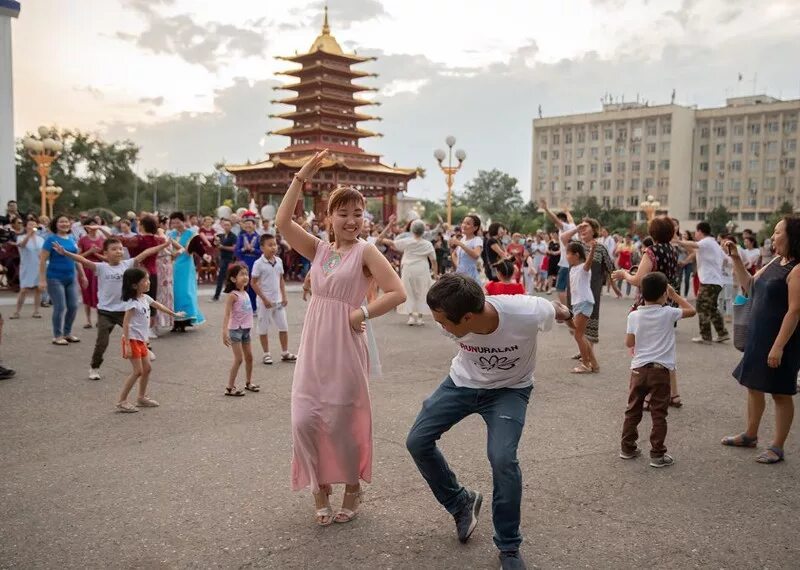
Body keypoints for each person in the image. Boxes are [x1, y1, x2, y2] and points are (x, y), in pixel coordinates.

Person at [406, 273, 572, 570]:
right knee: (417, 441)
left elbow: (555, 308)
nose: (440, 326)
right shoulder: (453, 320)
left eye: (443, 321)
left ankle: (509, 547)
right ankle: (460, 502)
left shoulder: (524, 311)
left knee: (503, 459)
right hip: (461, 384)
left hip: (510, 390)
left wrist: (567, 313)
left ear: (468, 317)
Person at [276, 150, 406, 526]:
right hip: (314, 346)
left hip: (346, 347)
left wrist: (361, 312)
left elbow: (397, 292)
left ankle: (351, 487)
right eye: (343, 213)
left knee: (343, 421)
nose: (352, 220)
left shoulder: (366, 251)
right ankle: (319, 489)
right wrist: (301, 176)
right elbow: (283, 222)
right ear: (329, 217)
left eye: (357, 213)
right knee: (304, 419)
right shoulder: (319, 249)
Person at [720, 217, 800, 464]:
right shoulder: (776, 261)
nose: (773, 237)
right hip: (759, 336)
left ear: (792, 237)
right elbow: (748, 286)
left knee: (780, 392)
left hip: (781, 340)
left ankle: (777, 446)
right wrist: (735, 258)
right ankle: (750, 434)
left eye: (777, 232)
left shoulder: (797, 269)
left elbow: (795, 311)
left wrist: (778, 346)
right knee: (753, 385)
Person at [52, 236, 169, 380]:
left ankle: (146, 349)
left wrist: (164, 245)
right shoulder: (101, 267)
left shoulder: (127, 264)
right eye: (114, 249)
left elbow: (146, 253)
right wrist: (65, 253)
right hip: (106, 312)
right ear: (105, 253)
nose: (118, 251)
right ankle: (94, 368)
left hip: (124, 310)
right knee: (102, 341)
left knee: (139, 331)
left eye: (120, 249)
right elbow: (82, 260)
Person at [620, 273, 696, 468]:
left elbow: (629, 342)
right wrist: (675, 295)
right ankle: (657, 454)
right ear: (664, 294)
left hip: (638, 370)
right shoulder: (669, 312)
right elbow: (692, 310)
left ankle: (627, 448)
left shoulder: (634, 315)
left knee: (633, 410)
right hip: (660, 371)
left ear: (642, 293)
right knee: (658, 413)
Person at [613, 216, 683, 408]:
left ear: (652, 233)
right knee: (665, 347)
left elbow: (638, 280)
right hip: (666, 301)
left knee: (645, 348)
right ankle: (673, 394)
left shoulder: (651, 251)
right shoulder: (673, 250)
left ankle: (647, 395)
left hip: (649, 302)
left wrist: (624, 274)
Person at [117, 267, 184, 412]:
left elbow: (158, 305)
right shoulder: (132, 302)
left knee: (147, 369)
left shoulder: (145, 298)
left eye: (148, 279)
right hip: (132, 340)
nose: (148, 282)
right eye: (145, 280)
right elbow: (126, 323)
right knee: (138, 371)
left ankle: (141, 397)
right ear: (134, 285)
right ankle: (122, 401)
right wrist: (127, 344)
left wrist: (174, 314)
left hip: (141, 341)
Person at [561, 219, 620, 353]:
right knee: (575, 322)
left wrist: (615, 287)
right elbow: (563, 237)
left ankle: (588, 353)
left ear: (594, 230)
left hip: (591, 291)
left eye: (586, 226)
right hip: (574, 290)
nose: (582, 229)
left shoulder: (600, 248)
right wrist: (577, 228)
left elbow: (610, 269)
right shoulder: (576, 245)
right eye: (581, 227)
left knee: (590, 320)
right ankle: (583, 351)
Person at [676, 222, 729, 344]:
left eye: (696, 231)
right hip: (715, 281)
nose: (695, 234)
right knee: (711, 308)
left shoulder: (706, 242)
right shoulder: (713, 243)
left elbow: (692, 244)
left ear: (700, 231)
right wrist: (684, 261)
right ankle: (722, 333)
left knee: (702, 306)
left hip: (709, 281)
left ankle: (706, 336)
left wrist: (678, 241)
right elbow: (694, 251)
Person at [39, 215, 88, 345]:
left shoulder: (72, 239)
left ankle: (67, 333)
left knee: (73, 306)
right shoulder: (50, 240)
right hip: (55, 278)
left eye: (66, 222)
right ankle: (57, 335)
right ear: (56, 224)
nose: (64, 224)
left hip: (71, 278)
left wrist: (82, 275)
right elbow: (43, 260)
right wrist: (42, 280)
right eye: (61, 222)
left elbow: (76, 258)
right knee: (60, 307)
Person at [251, 233, 297, 364]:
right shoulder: (258, 263)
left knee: (284, 327)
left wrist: (284, 295)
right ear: (262, 247)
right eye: (270, 245)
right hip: (265, 302)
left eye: (275, 244)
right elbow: (253, 283)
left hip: (278, 301)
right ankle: (266, 354)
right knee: (263, 328)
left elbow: (281, 279)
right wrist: (264, 299)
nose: (273, 248)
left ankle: (285, 352)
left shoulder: (279, 261)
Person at [382, 219, 438, 326]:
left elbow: (389, 242)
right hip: (422, 268)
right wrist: (435, 274)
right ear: (423, 231)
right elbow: (434, 261)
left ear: (412, 230)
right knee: (422, 292)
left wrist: (383, 234)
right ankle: (420, 317)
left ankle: (412, 316)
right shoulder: (428, 244)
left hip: (408, 268)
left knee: (409, 291)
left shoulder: (407, 241)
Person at [221, 264, 258, 396]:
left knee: (249, 357)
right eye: (241, 274)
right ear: (233, 279)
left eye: (246, 274)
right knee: (239, 359)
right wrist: (224, 332)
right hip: (235, 330)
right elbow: (226, 315)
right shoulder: (233, 295)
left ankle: (248, 383)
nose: (245, 277)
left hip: (246, 330)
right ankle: (230, 387)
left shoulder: (245, 293)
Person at [168, 212, 205, 331]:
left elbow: (199, 249)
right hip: (172, 266)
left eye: (178, 221)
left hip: (186, 266)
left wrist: (205, 256)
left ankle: (185, 320)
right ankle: (175, 320)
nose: (176, 224)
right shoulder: (170, 234)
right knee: (173, 292)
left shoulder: (191, 234)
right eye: (173, 222)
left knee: (185, 292)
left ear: (184, 221)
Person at [565, 241, 598, 373]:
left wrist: (592, 249)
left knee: (578, 335)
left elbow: (589, 263)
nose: (566, 256)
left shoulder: (584, 268)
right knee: (579, 334)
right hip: (578, 303)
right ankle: (594, 364)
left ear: (576, 255)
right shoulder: (572, 269)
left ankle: (585, 364)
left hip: (584, 302)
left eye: (568, 253)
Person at [539, 200, 575, 304]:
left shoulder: (565, 228)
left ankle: (566, 309)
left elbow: (555, 219)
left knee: (560, 287)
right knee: (569, 287)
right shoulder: (571, 226)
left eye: (557, 222)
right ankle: (570, 308)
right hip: (571, 263)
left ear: (561, 221)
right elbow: (571, 219)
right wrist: (567, 211)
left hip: (565, 264)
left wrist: (546, 209)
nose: (555, 224)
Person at [11, 219, 44, 319]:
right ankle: (16, 312)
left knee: (38, 289)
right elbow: (22, 245)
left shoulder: (41, 239)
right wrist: (29, 234)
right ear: (26, 227)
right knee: (24, 289)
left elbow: (43, 252)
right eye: (30, 224)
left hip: (38, 266)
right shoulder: (21, 237)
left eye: (34, 225)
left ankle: (36, 311)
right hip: (26, 266)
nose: (33, 226)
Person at [77, 224, 106, 329]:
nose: (93, 229)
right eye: (91, 227)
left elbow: (106, 257)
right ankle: (88, 320)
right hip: (86, 269)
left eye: (95, 227)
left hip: (99, 269)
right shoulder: (83, 240)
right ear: (87, 228)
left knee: (99, 294)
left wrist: (97, 254)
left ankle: (99, 319)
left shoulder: (102, 240)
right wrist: (90, 252)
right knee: (86, 293)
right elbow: (78, 257)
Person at [450, 215, 483, 282]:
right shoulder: (463, 239)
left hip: (471, 275)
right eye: (463, 222)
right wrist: (458, 266)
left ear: (475, 228)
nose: (464, 225)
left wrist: (460, 244)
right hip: (460, 274)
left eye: (468, 224)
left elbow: (476, 255)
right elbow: (454, 254)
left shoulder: (477, 240)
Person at [211, 218, 237, 301]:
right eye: (225, 225)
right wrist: (216, 242)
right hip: (222, 258)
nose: (226, 227)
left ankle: (234, 295)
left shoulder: (233, 236)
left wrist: (223, 247)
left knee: (230, 277)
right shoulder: (221, 236)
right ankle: (216, 296)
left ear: (231, 226)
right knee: (220, 277)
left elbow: (234, 248)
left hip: (230, 259)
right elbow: (215, 244)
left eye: (228, 225)